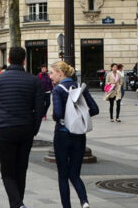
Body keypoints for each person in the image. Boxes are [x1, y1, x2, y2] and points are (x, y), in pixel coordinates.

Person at [0, 47, 45, 208]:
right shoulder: (34, 80)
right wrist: (34, 129)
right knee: (21, 169)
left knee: (7, 172)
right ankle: (18, 204)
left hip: (6, 129)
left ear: (8, 60)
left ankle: (17, 204)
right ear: (24, 61)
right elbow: (40, 109)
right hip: (26, 129)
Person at [50, 60, 99, 208]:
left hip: (62, 135)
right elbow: (95, 109)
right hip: (79, 136)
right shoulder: (80, 87)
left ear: (60, 73)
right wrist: (80, 116)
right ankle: (84, 201)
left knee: (63, 176)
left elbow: (58, 113)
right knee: (75, 174)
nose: (50, 77)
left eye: (52, 73)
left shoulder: (58, 90)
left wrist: (54, 115)